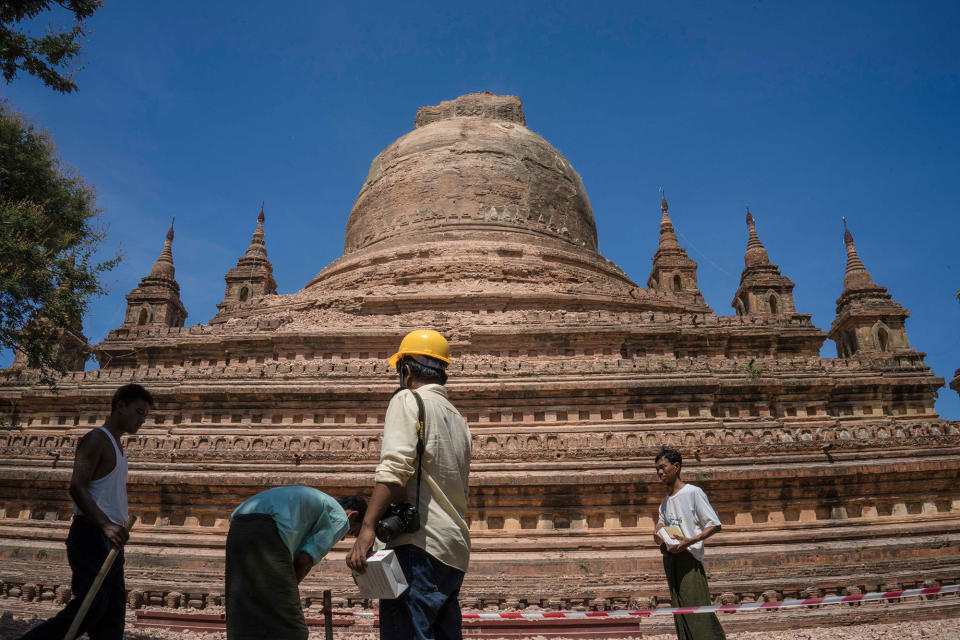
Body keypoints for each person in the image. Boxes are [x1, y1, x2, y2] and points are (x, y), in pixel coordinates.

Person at [346, 329, 471, 640]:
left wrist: (367, 529)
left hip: (417, 548)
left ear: (407, 370)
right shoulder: (458, 418)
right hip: (453, 552)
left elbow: (395, 469)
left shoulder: (408, 399)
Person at [19, 383, 153, 640]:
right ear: (120, 406)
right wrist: (105, 524)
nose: (141, 420)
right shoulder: (96, 440)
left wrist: (113, 527)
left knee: (112, 619)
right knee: (90, 609)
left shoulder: (118, 447)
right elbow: (77, 487)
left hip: (112, 539)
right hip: (91, 533)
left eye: (145, 416)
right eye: (138, 412)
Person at [225, 487, 366, 640]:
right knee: (291, 627)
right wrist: (287, 590)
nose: (343, 538)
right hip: (266, 529)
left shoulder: (321, 503)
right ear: (352, 516)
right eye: (351, 532)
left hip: (238, 525)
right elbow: (306, 559)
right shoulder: (340, 516)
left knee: (244, 610)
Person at [653, 447, 726, 640]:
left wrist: (690, 541)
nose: (659, 472)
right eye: (657, 469)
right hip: (672, 560)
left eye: (663, 467)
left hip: (690, 560)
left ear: (676, 467)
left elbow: (714, 524)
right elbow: (661, 525)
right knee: (681, 615)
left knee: (699, 615)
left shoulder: (693, 493)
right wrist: (659, 530)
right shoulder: (665, 502)